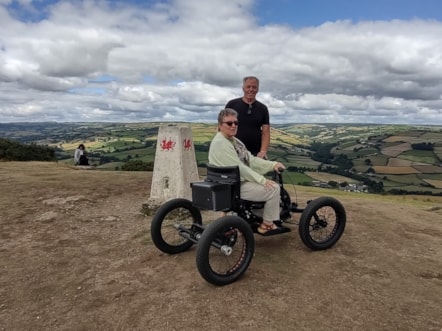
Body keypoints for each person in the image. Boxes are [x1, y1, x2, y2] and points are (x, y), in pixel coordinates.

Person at [208, 108, 287, 235]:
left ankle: (253, 216)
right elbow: (240, 168)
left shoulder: (233, 141)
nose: (233, 125)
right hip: (234, 187)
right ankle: (267, 224)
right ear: (220, 125)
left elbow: (251, 160)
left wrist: (272, 165)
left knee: (265, 184)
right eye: (229, 123)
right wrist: (262, 180)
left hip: (228, 183)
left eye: (236, 123)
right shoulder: (222, 143)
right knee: (274, 189)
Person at [225, 76, 270, 159]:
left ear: (258, 89)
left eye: (254, 87)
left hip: (255, 154)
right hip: (233, 151)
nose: (251, 90)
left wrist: (263, 151)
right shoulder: (231, 105)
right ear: (243, 88)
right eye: (248, 87)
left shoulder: (263, 108)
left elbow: (266, 132)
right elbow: (223, 127)